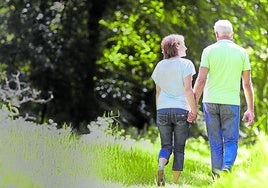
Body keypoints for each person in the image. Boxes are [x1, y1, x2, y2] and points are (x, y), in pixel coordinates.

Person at [193, 19, 255, 179]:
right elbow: (247, 84)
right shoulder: (242, 52)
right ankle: (227, 167)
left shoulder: (208, 51)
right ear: (232, 35)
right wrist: (250, 109)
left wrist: (192, 104)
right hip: (231, 103)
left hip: (210, 102)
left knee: (215, 141)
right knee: (231, 140)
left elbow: (200, 80)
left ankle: (216, 177)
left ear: (216, 34)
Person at [151, 34, 197, 186]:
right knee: (179, 148)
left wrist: (159, 111)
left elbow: (158, 92)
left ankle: (161, 166)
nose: (186, 47)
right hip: (181, 110)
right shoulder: (186, 64)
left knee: (165, 146)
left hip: (162, 109)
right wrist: (194, 110)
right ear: (177, 46)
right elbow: (188, 90)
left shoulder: (160, 66)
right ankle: (175, 183)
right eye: (183, 44)